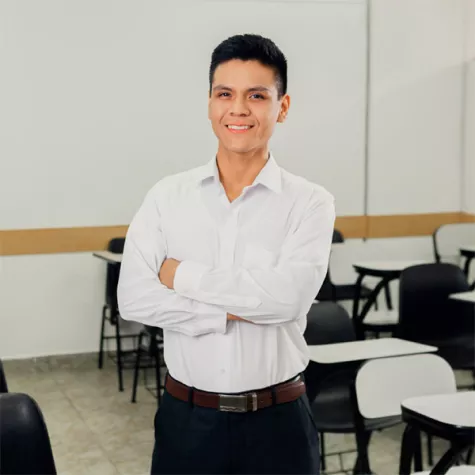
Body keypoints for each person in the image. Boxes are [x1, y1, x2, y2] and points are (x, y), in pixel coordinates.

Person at [118, 33, 335, 475]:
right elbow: (134, 299)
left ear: (283, 106)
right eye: (225, 94)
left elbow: (289, 300)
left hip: (279, 423)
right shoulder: (167, 196)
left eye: (257, 95)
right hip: (187, 420)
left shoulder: (310, 201)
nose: (238, 108)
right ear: (211, 103)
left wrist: (181, 277)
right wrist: (233, 310)